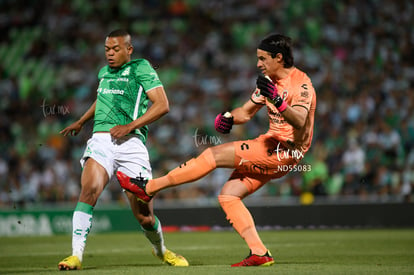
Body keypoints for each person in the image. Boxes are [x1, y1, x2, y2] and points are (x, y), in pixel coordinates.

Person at [117, 33, 316, 267]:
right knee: (229, 195)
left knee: (213, 155)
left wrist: (278, 101)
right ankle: (260, 253)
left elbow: (300, 121)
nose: (258, 64)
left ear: (278, 58)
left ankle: (149, 187)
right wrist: (230, 117)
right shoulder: (269, 82)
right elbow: (247, 111)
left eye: (262, 59)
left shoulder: (301, 84)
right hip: (273, 146)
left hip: (285, 151)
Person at [58, 29, 188, 270]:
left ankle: (161, 251)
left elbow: (163, 105)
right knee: (89, 190)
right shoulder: (104, 72)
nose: (110, 54)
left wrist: (130, 126)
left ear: (129, 49)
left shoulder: (141, 68)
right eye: (107, 49)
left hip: (131, 144)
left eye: (115, 49)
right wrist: (81, 121)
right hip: (101, 141)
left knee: (144, 216)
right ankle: (76, 256)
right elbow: (102, 98)